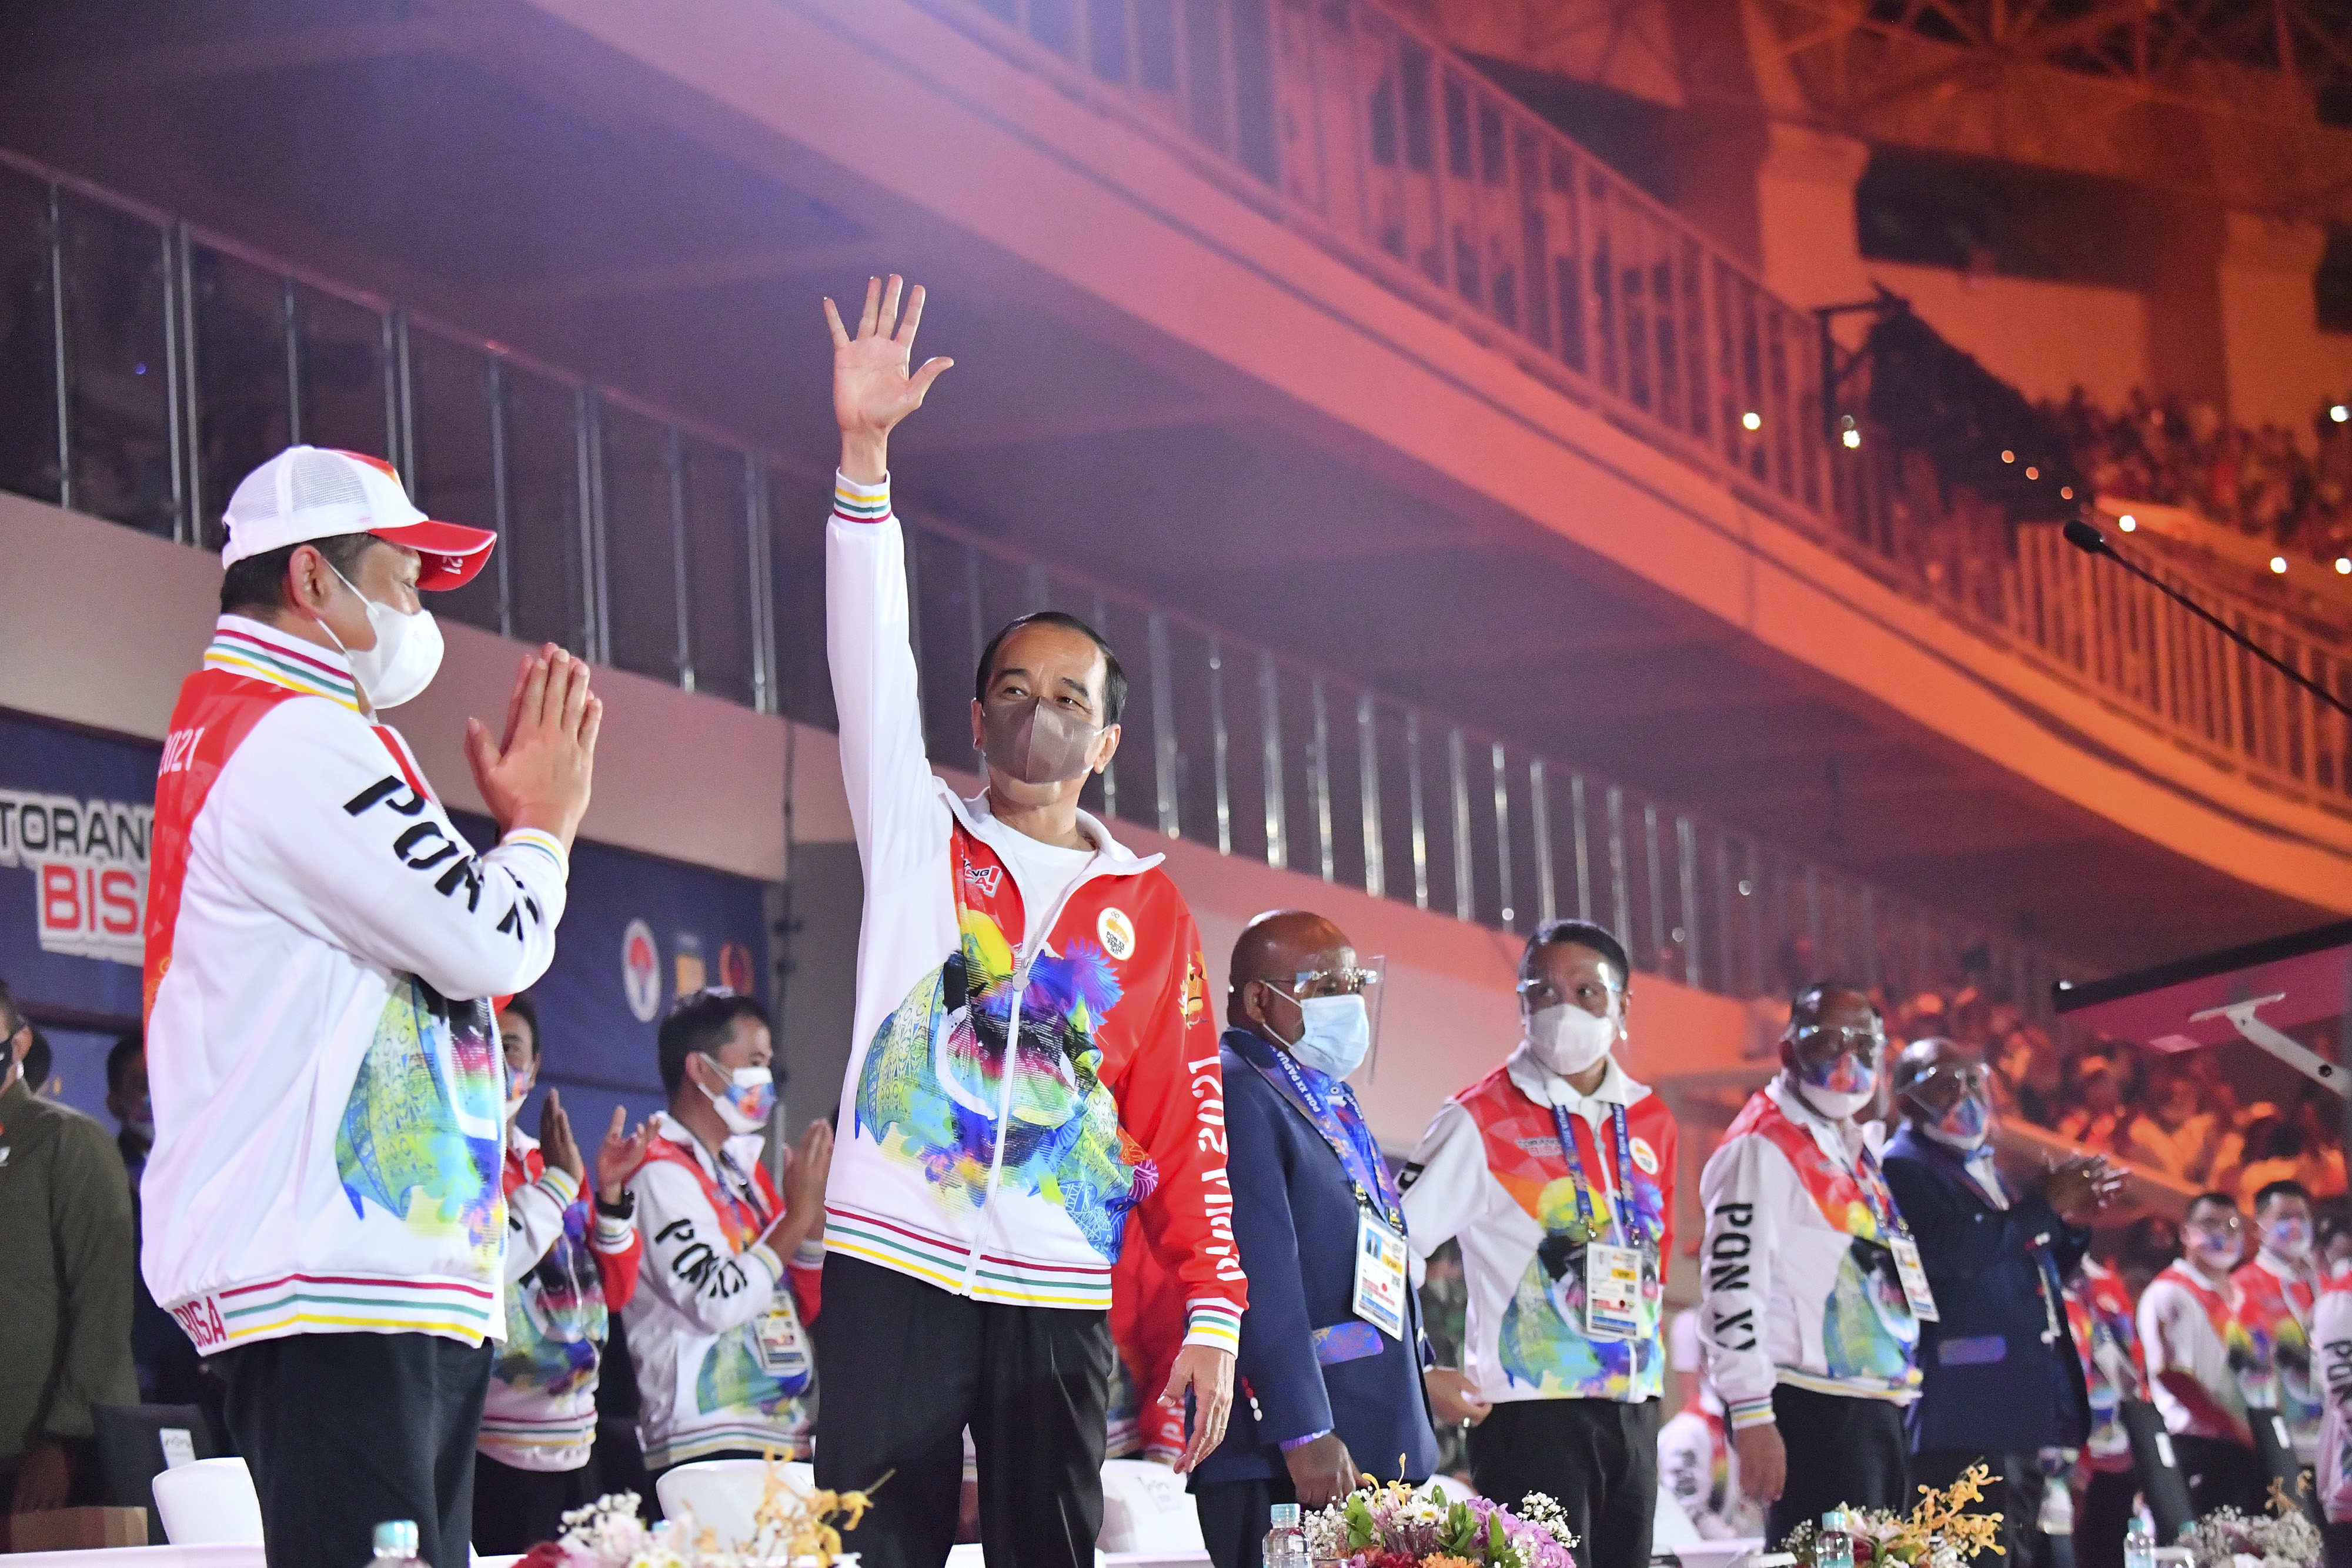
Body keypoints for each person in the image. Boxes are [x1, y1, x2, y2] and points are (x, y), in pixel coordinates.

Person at [810, 276, 1247, 1568]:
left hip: (1056, 1280)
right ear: (974, 715)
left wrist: (1212, 1309)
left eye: (1068, 697)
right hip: (893, 1258)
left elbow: (1183, 1119)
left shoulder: (1148, 909)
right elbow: (867, 658)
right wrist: (864, 459)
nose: (1037, 712)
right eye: (1012, 688)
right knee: (867, 1550)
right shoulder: (918, 834)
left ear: (1105, 742)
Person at [141, 444, 601, 1568]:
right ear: (312, 577)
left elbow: (452, 962)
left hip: (352, 1281)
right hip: (335, 1289)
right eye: (403, 580)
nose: (419, 614)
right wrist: (542, 831)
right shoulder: (294, 733)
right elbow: (493, 940)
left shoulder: (263, 724)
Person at [1402, 918, 1677, 1568]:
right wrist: (1419, 1366)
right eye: (1543, 991)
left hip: (1634, 1406)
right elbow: (1393, 1243)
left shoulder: (1651, 1119)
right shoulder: (1479, 1115)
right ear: (1522, 1003)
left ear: (1622, 1005)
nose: (1563, 1007)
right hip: (1530, 1412)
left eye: (1586, 991)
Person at [1188, 911, 1436, 1568]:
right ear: (1258, 1000)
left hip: (1364, 1437)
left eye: (1354, 984)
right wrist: (1303, 1429)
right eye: (1326, 987)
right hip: (1289, 1455)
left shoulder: (1325, 1097)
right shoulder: (1237, 1090)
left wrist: (1421, 1368)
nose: (1348, 1002)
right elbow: (1257, 1269)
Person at [1699, 982, 1926, 1547]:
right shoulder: (1762, 1142)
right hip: (1812, 1408)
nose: (1849, 1060)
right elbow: (1731, 1281)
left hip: (1873, 1402)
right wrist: (1752, 1413)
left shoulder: (1854, 1147)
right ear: (1788, 1051)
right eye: (1829, 1042)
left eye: (1864, 1046)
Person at [1880, 1037, 2116, 1568]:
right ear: (1906, 1101)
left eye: (1974, 1080)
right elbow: (1954, 1252)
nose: (1965, 1096)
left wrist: (2070, 1223)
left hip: (2016, 1413)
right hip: (1962, 1414)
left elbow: (2024, 1263)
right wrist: (2042, 1207)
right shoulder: (1903, 1167)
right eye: (1946, 1084)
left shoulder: (1991, 1167)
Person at [623, 989, 830, 1487]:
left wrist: (812, 1221)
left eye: (768, 1063)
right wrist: (797, 1216)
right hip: (705, 1441)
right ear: (700, 1068)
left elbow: (799, 1297)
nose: (767, 1077)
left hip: (781, 1432)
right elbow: (717, 1299)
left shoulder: (744, 1172)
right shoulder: (658, 1173)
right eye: (755, 1062)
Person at [473, 996, 653, 1552]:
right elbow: (481, 1269)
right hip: (492, 1451)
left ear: (535, 1067)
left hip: (576, 1446)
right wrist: (557, 1182)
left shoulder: (547, 1160)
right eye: (483, 1043)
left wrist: (610, 1195)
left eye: (511, 1047)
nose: (497, 1060)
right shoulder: (462, 1164)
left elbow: (613, 1292)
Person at [0, 977, 139, 1514]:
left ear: (20, 1043)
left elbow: (104, 1301)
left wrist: (63, 1440)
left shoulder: (65, 1139)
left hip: (38, 1454)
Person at [2140, 1192, 2263, 1519]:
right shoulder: (2171, 1291)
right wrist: (2237, 1429)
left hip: (2245, 1447)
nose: (2223, 1233)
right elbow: (2173, 1376)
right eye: (2210, 1224)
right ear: (2185, 1232)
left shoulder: (2241, 1296)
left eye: (2232, 1225)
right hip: (2199, 1448)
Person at [106, 1032, 206, 1407]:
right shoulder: (105, 1171)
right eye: (142, 1084)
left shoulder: (207, 1170)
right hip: (138, 1365)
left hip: (203, 1364)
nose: (156, 1094)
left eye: (166, 1080)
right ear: (114, 1102)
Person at [2231, 1181, 2323, 1483]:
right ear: (2258, 1227)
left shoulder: (2322, 1283)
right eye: (2284, 1217)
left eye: (2302, 1217)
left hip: (2330, 1442)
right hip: (2280, 1444)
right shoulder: (2241, 1287)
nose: (2295, 1225)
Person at [2065, 1252, 2149, 1568]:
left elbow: (2132, 1363)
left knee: (2109, 1553)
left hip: (2115, 1450)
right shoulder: (2033, 1271)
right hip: (2062, 1453)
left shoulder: (2106, 1283)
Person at [1657, 1310, 1764, 1541]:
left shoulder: (1727, 1426)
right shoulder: (1688, 1431)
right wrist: (1732, 1541)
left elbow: (1730, 1509)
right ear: (1706, 1365)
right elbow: (1685, 1511)